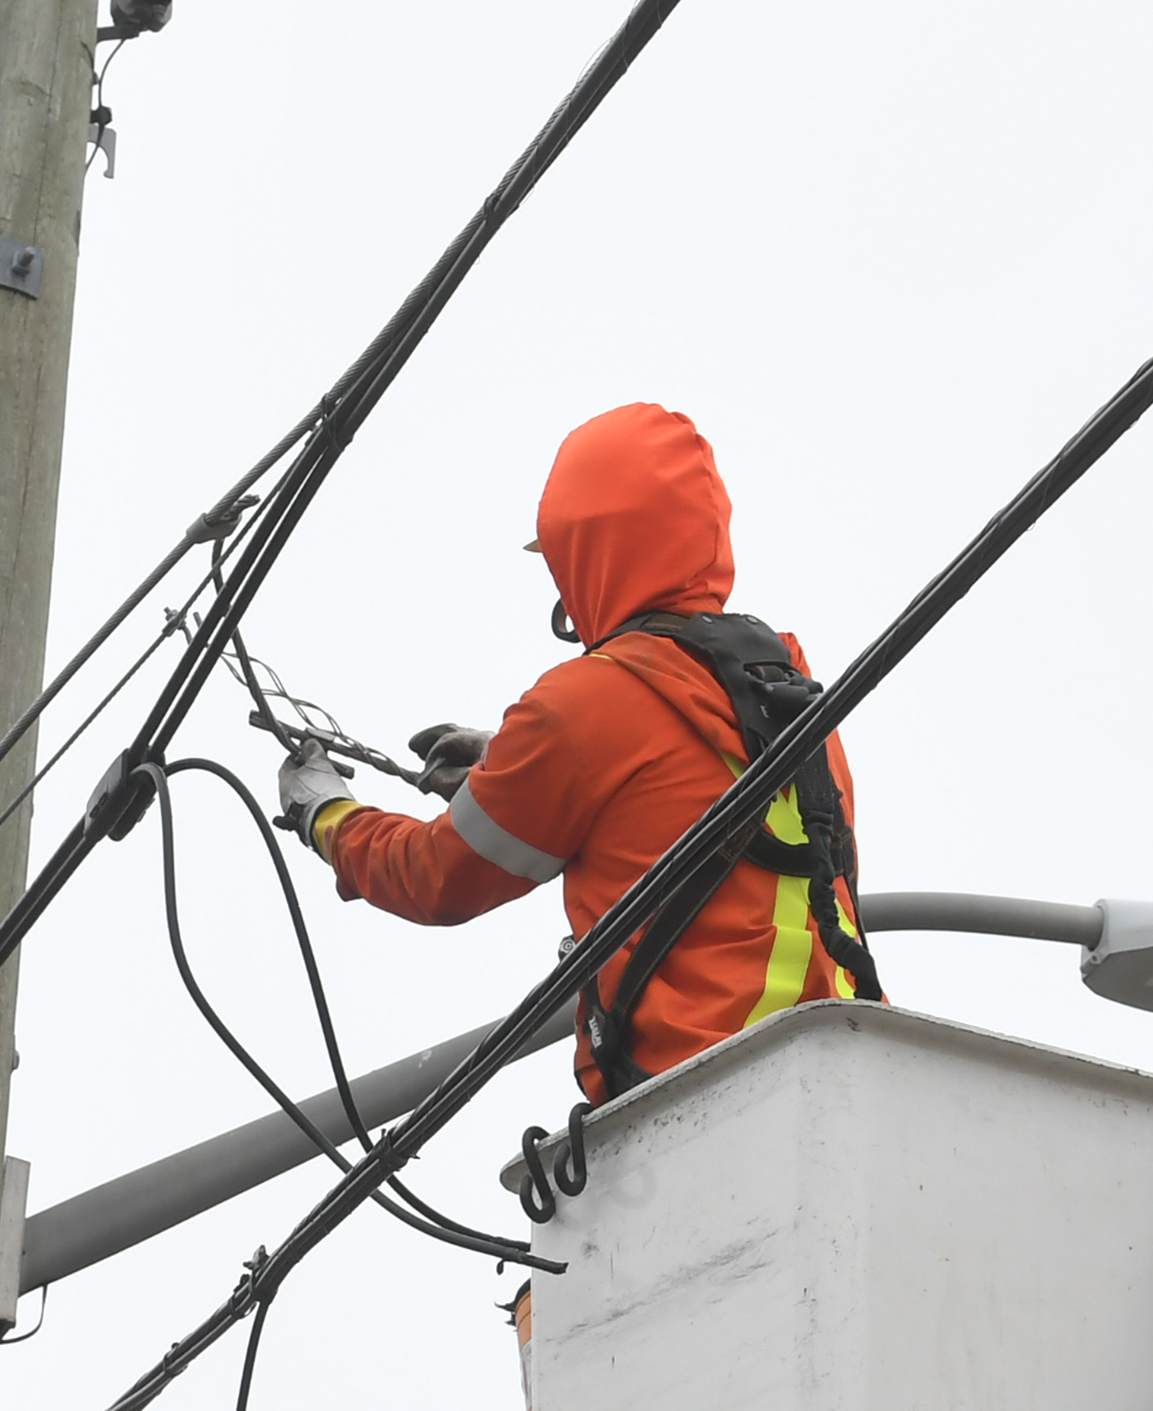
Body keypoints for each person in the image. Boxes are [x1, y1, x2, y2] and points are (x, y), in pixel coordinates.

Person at [273, 402, 880, 1101]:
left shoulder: (584, 704)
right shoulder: (796, 692)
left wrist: (325, 814)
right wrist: (511, 765)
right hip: (843, 1074)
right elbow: (673, 798)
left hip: (700, 1097)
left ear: (588, 551)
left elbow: (433, 875)